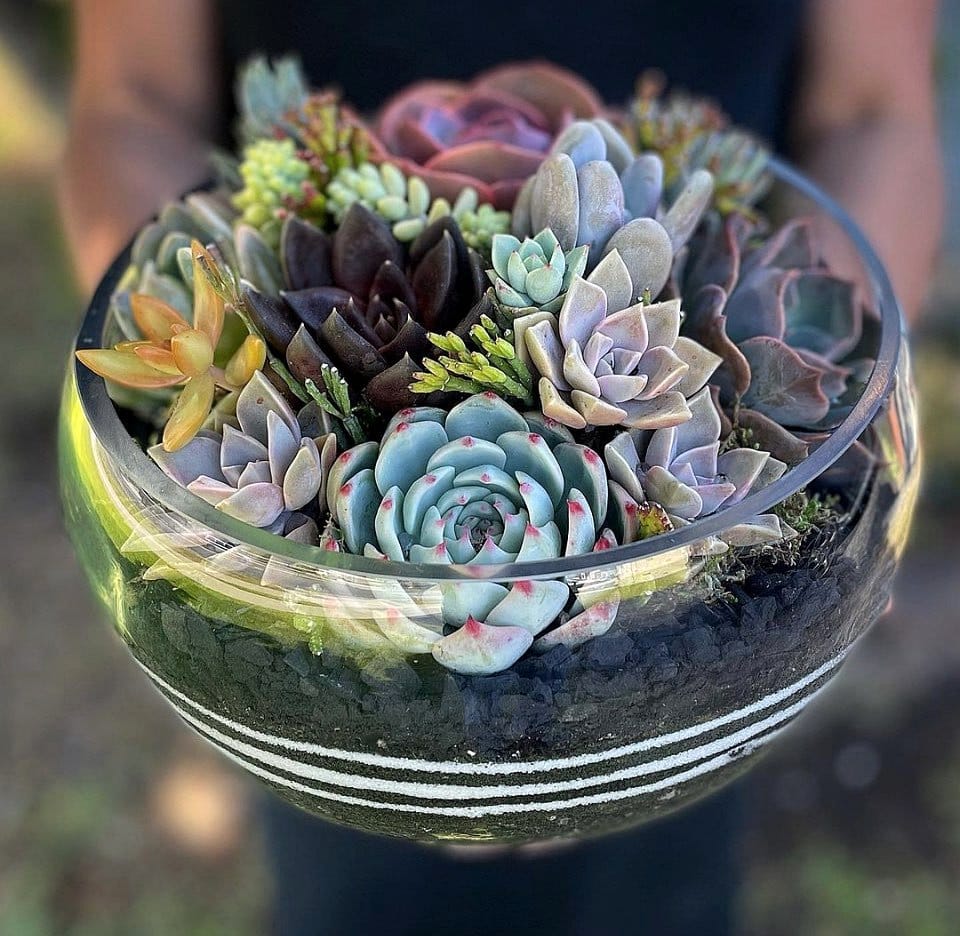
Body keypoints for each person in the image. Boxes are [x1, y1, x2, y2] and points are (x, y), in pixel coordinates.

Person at [60, 2, 943, 933]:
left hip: (686, 639)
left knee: (657, 886)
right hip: (328, 656)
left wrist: (838, 442)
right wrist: (177, 363)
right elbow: (135, 98)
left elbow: (874, 112)